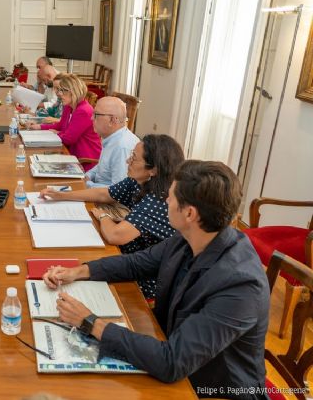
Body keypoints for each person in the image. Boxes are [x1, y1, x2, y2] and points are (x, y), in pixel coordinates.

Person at [43, 161, 269, 396]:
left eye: (170, 197)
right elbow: (135, 263)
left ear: (190, 213)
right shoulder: (191, 236)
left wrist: (90, 322)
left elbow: (172, 362)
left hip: (211, 389)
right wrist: (78, 271)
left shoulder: (241, 286)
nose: (166, 202)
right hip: (177, 359)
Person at [40, 134, 185, 299]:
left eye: (134, 159)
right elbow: (104, 194)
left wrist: (104, 217)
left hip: (141, 278)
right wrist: (61, 195)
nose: (127, 161)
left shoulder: (158, 200)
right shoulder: (138, 181)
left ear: (153, 170)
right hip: (123, 258)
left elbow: (115, 236)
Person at [26, 74, 101, 170]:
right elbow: (61, 125)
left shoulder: (83, 110)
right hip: (69, 153)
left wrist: (58, 133)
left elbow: (69, 139)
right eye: (59, 90)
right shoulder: (69, 106)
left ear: (74, 92)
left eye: (63, 90)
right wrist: (39, 126)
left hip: (84, 160)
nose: (59, 94)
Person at [85, 97, 140, 188]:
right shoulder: (112, 137)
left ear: (112, 120)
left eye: (96, 115)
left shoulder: (122, 146)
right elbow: (102, 167)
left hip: (107, 200)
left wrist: (88, 184)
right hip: (99, 192)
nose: (91, 118)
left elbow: (118, 191)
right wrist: (88, 176)